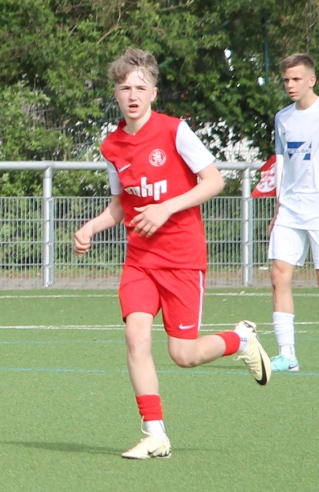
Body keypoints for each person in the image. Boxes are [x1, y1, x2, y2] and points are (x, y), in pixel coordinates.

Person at [73, 47, 272, 458]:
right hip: (140, 261)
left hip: (182, 258)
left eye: (140, 87)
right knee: (135, 337)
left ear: (153, 92)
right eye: (124, 87)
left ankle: (240, 339)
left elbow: (214, 181)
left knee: (184, 354)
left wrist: (166, 208)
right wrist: (91, 226)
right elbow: (120, 206)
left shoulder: (175, 131)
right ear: (115, 93)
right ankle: (155, 434)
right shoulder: (111, 146)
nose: (132, 95)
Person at [267, 53, 317, 372]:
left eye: (296, 79)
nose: (290, 85)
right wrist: (278, 208)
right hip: (290, 208)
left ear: (312, 80)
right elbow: (282, 164)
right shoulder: (282, 118)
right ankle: (287, 355)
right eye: (286, 79)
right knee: (278, 275)